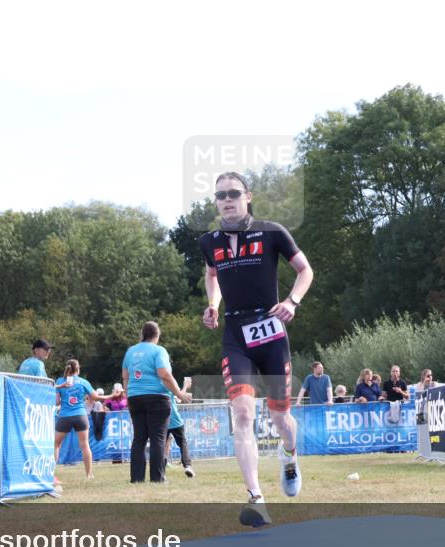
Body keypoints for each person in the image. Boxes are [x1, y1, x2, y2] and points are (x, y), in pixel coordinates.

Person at [200, 171, 314, 527]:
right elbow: (211, 273)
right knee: (244, 414)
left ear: (248, 196)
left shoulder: (272, 231)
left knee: (281, 418)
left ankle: (290, 455)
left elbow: (305, 270)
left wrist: (293, 302)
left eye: (234, 193)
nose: (227, 200)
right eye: (220, 196)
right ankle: (256, 499)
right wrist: (213, 305)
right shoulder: (209, 242)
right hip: (236, 335)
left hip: (271, 332)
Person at [122, 321, 191, 483]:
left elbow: (125, 377)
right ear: (157, 335)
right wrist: (179, 394)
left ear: (142, 334)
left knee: (139, 438)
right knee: (158, 438)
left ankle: (137, 478)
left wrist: (128, 396)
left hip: (134, 397)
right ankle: (157, 478)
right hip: (157, 398)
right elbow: (164, 375)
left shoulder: (130, 351)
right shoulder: (159, 351)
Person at [54, 359, 102, 481]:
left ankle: (50, 474)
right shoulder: (83, 382)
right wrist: (111, 396)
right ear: (78, 369)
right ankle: (89, 475)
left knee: (56, 444)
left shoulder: (60, 381)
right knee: (85, 445)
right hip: (81, 415)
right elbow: (95, 397)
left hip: (64, 416)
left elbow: (57, 402)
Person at [164, 380, 195, 478]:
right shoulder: (168, 384)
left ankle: (160, 470)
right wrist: (185, 385)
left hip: (162, 420)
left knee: (160, 446)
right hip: (175, 420)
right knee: (182, 443)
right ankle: (187, 466)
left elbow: (178, 398)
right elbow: (180, 397)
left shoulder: (155, 387)